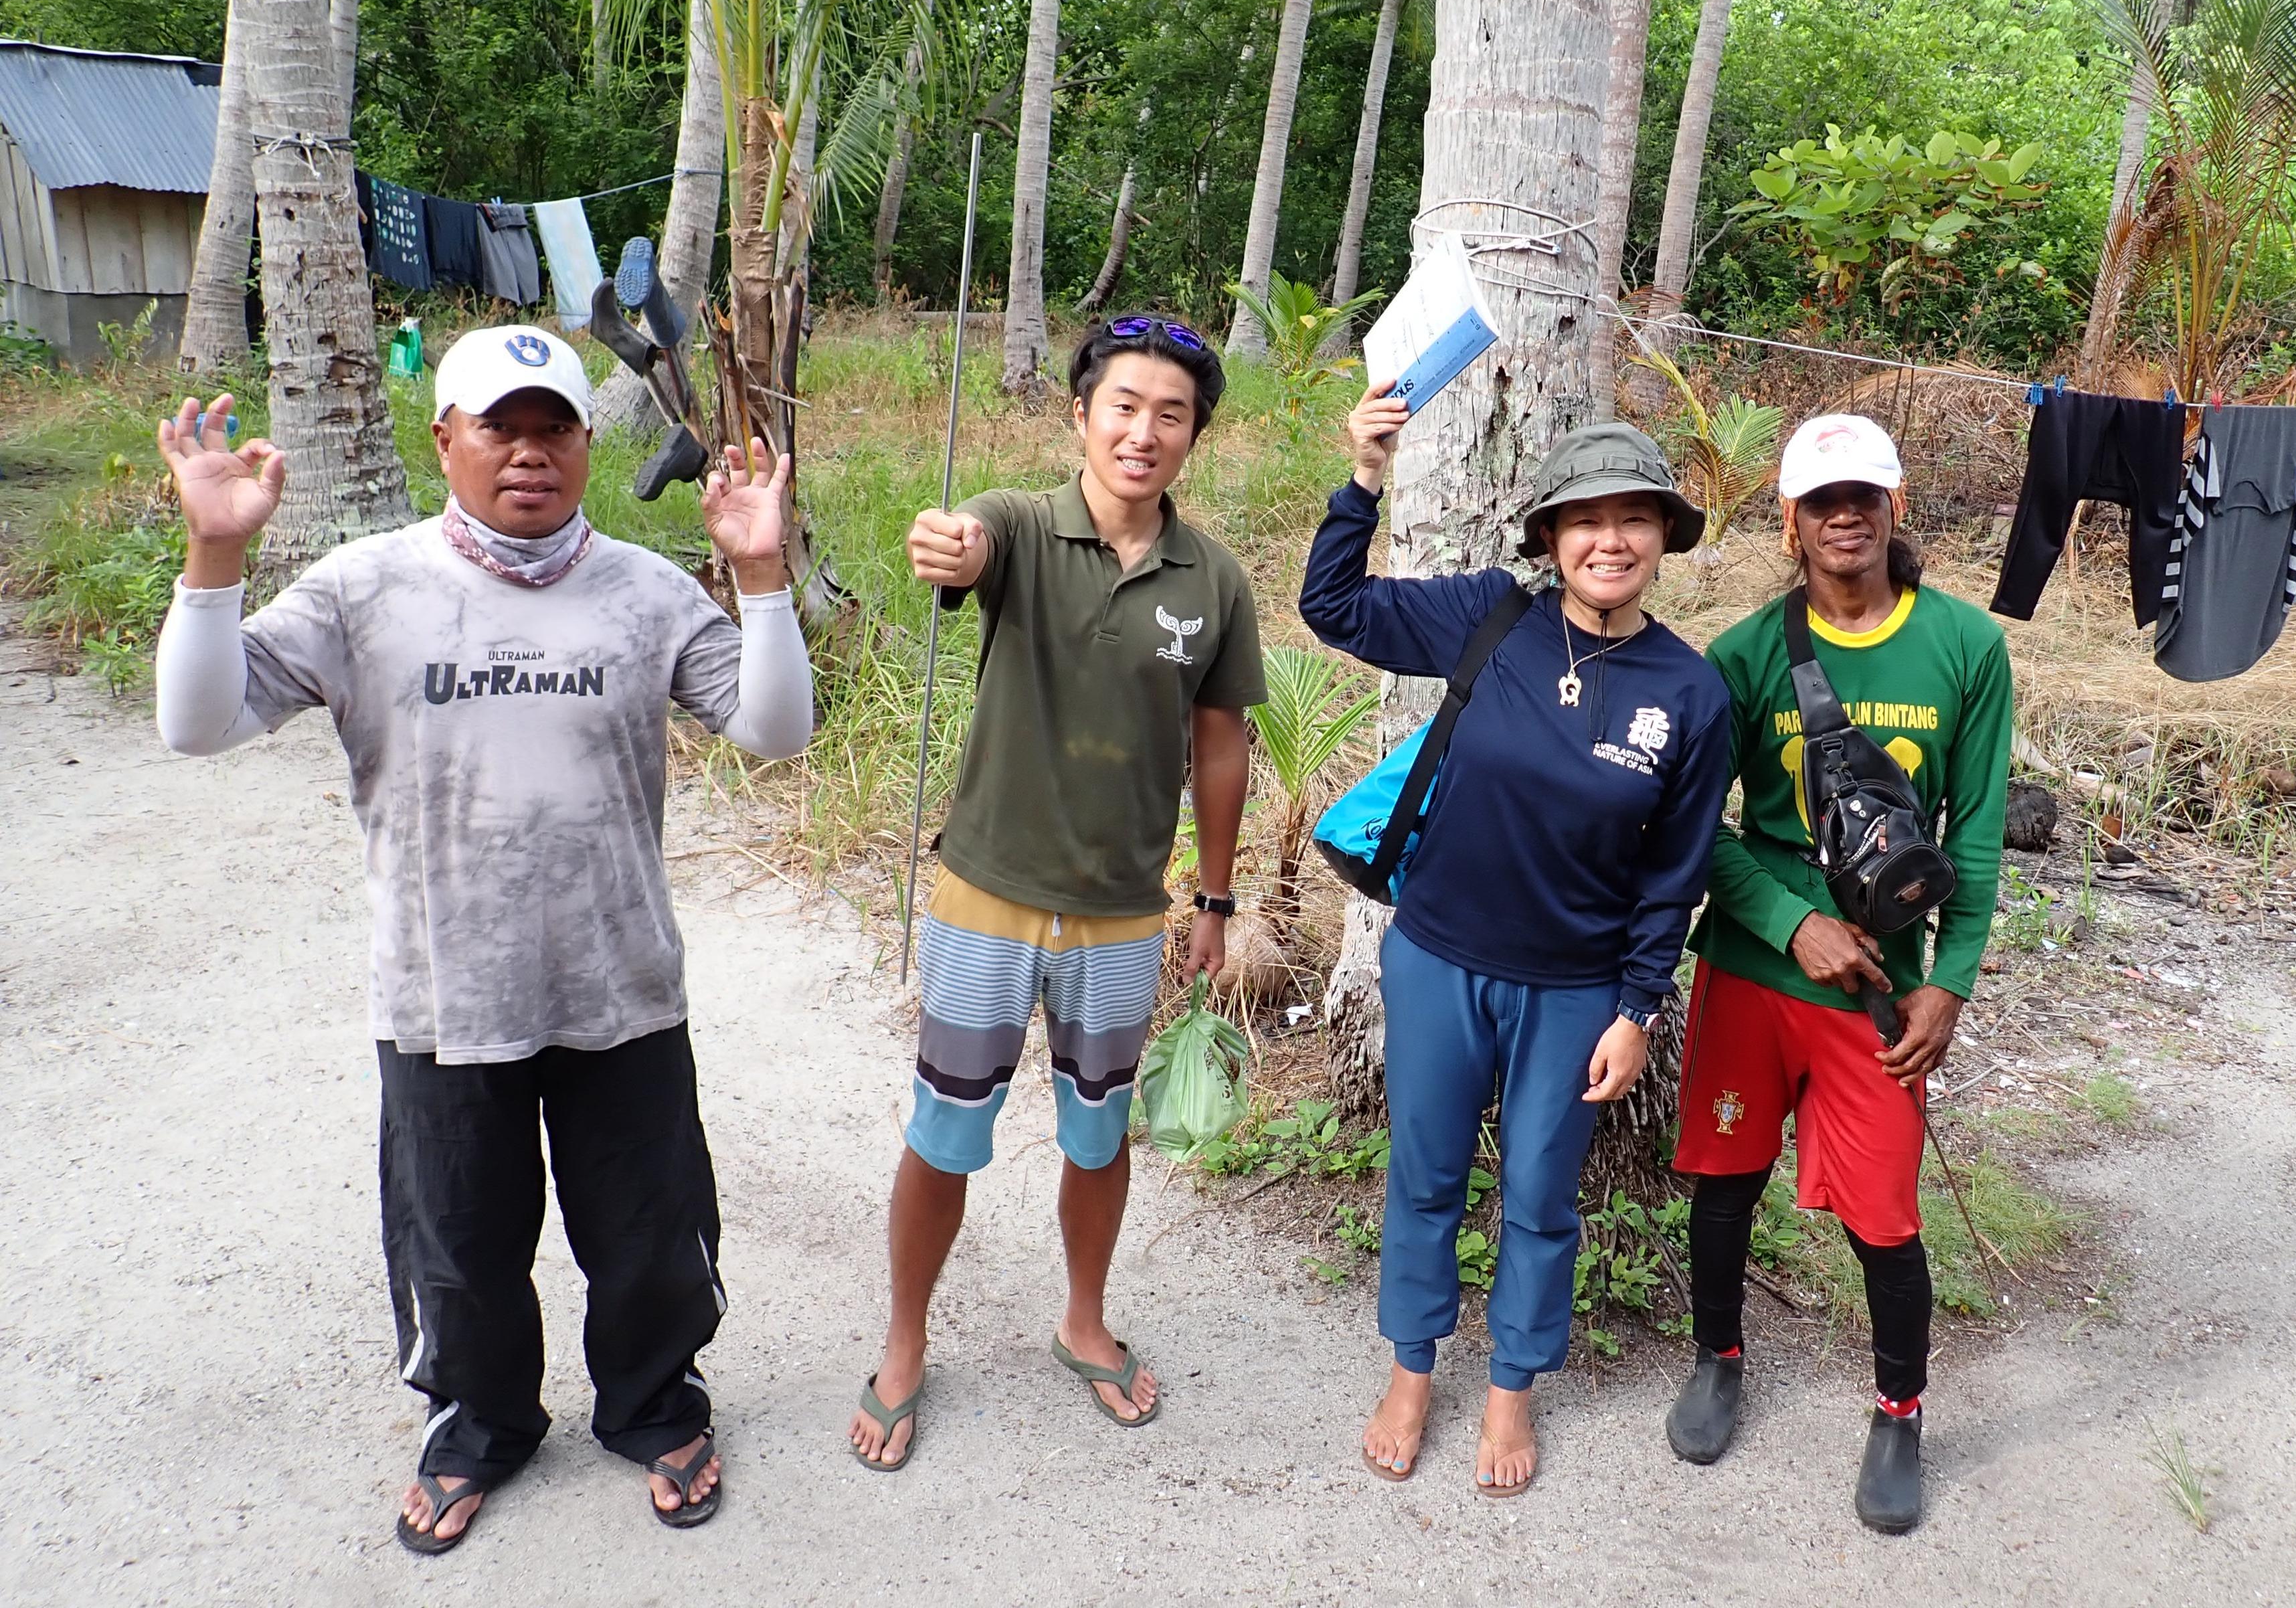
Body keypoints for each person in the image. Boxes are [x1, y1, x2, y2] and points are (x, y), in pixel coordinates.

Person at [151, 327, 814, 1554]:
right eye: (497, 426)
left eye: (553, 427)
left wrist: (761, 575)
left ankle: (655, 1405)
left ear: (582, 446)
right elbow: (199, 722)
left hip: (622, 984)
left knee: (649, 1230)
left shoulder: (645, 589)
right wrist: (217, 550)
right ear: (444, 437)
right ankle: (481, 1425)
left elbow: (774, 728)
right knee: (459, 1245)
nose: (528, 451)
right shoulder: (364, 589)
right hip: (445, 994)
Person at [853, 315, 1263, 1470]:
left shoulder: (1213, 578)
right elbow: (966, 542)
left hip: (1125, 914)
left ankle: (1083, 1320)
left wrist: (1216, 903)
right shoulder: (1025, 526)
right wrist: (946, 543)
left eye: (1171, 414)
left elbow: (1221, 742)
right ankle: (903, 1340)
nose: (1143, 431)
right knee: (944, 1131)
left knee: (1099, 1135)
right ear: (1080, 416)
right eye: (1122, 405)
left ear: (1193, 438)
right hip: (987, 895)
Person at [1302, 391, 1729, 1498]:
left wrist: (1638, 1010)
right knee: (1425, 1176)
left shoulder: (1689, 690)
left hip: (1577, 989)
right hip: (1438, 957)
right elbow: (1335, 607)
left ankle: (1512, 1387)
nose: (1612, 540)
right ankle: (1410, 1370)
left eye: (1637, 518)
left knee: (1542, 1197)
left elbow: (1674, 877)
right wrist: (1363, 480)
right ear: (1550, 535)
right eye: (1587, 518)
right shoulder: (1490, 618)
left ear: (1663, 539)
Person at [1666, 413, 2012, 1534]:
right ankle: (1718, 1356)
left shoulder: (1965, 646)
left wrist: (1948, 982)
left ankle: (1900, 1411)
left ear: (1895, 507)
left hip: (1884, 994)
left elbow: (1977, 831)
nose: (1844, 515)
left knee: (1883, 1218)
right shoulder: (1744, 656)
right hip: (1756, 974)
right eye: (1821, 500)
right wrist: (1785, 920)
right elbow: (1694, 827)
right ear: (1790, 520)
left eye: (1863, 494)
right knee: (1724, 1183)